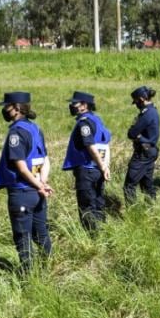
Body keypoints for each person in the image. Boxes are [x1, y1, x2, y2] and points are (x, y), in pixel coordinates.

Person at [0, 91, 52, 270]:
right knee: (41, 234)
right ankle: (49, 268)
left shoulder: (16, 133)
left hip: (22, 191)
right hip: (38, 192)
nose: (4, 110)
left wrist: (38, 184)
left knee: (22, 237)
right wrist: (43, 183)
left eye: (6, 106)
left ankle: (29, 278)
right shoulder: (35, 128)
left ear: (16, 109)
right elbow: (45, 160)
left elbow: (21, 167)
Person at [61, 91, 111, 231]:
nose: (72, 106)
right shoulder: (98, 120)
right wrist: (105, 167)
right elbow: (106, 144)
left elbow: (90, 146)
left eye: (74, 103)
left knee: (87, 206)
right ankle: (103, 232)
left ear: (84, 105)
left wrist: (102, 165)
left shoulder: (84, 123)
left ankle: (92, 237)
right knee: (98, 203)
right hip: (98, 170)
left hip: (87, 169)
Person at [123, 85, 159, 203]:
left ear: (142, 99)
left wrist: (137, 135)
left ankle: (133, 214)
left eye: (136, 101)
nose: (136, 104)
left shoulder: (146, 114)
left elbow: (132, 133)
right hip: (150, 151)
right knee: (147, 184)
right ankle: (153, 209)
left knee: (129, 186)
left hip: (142, 154)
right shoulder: (153, 111)